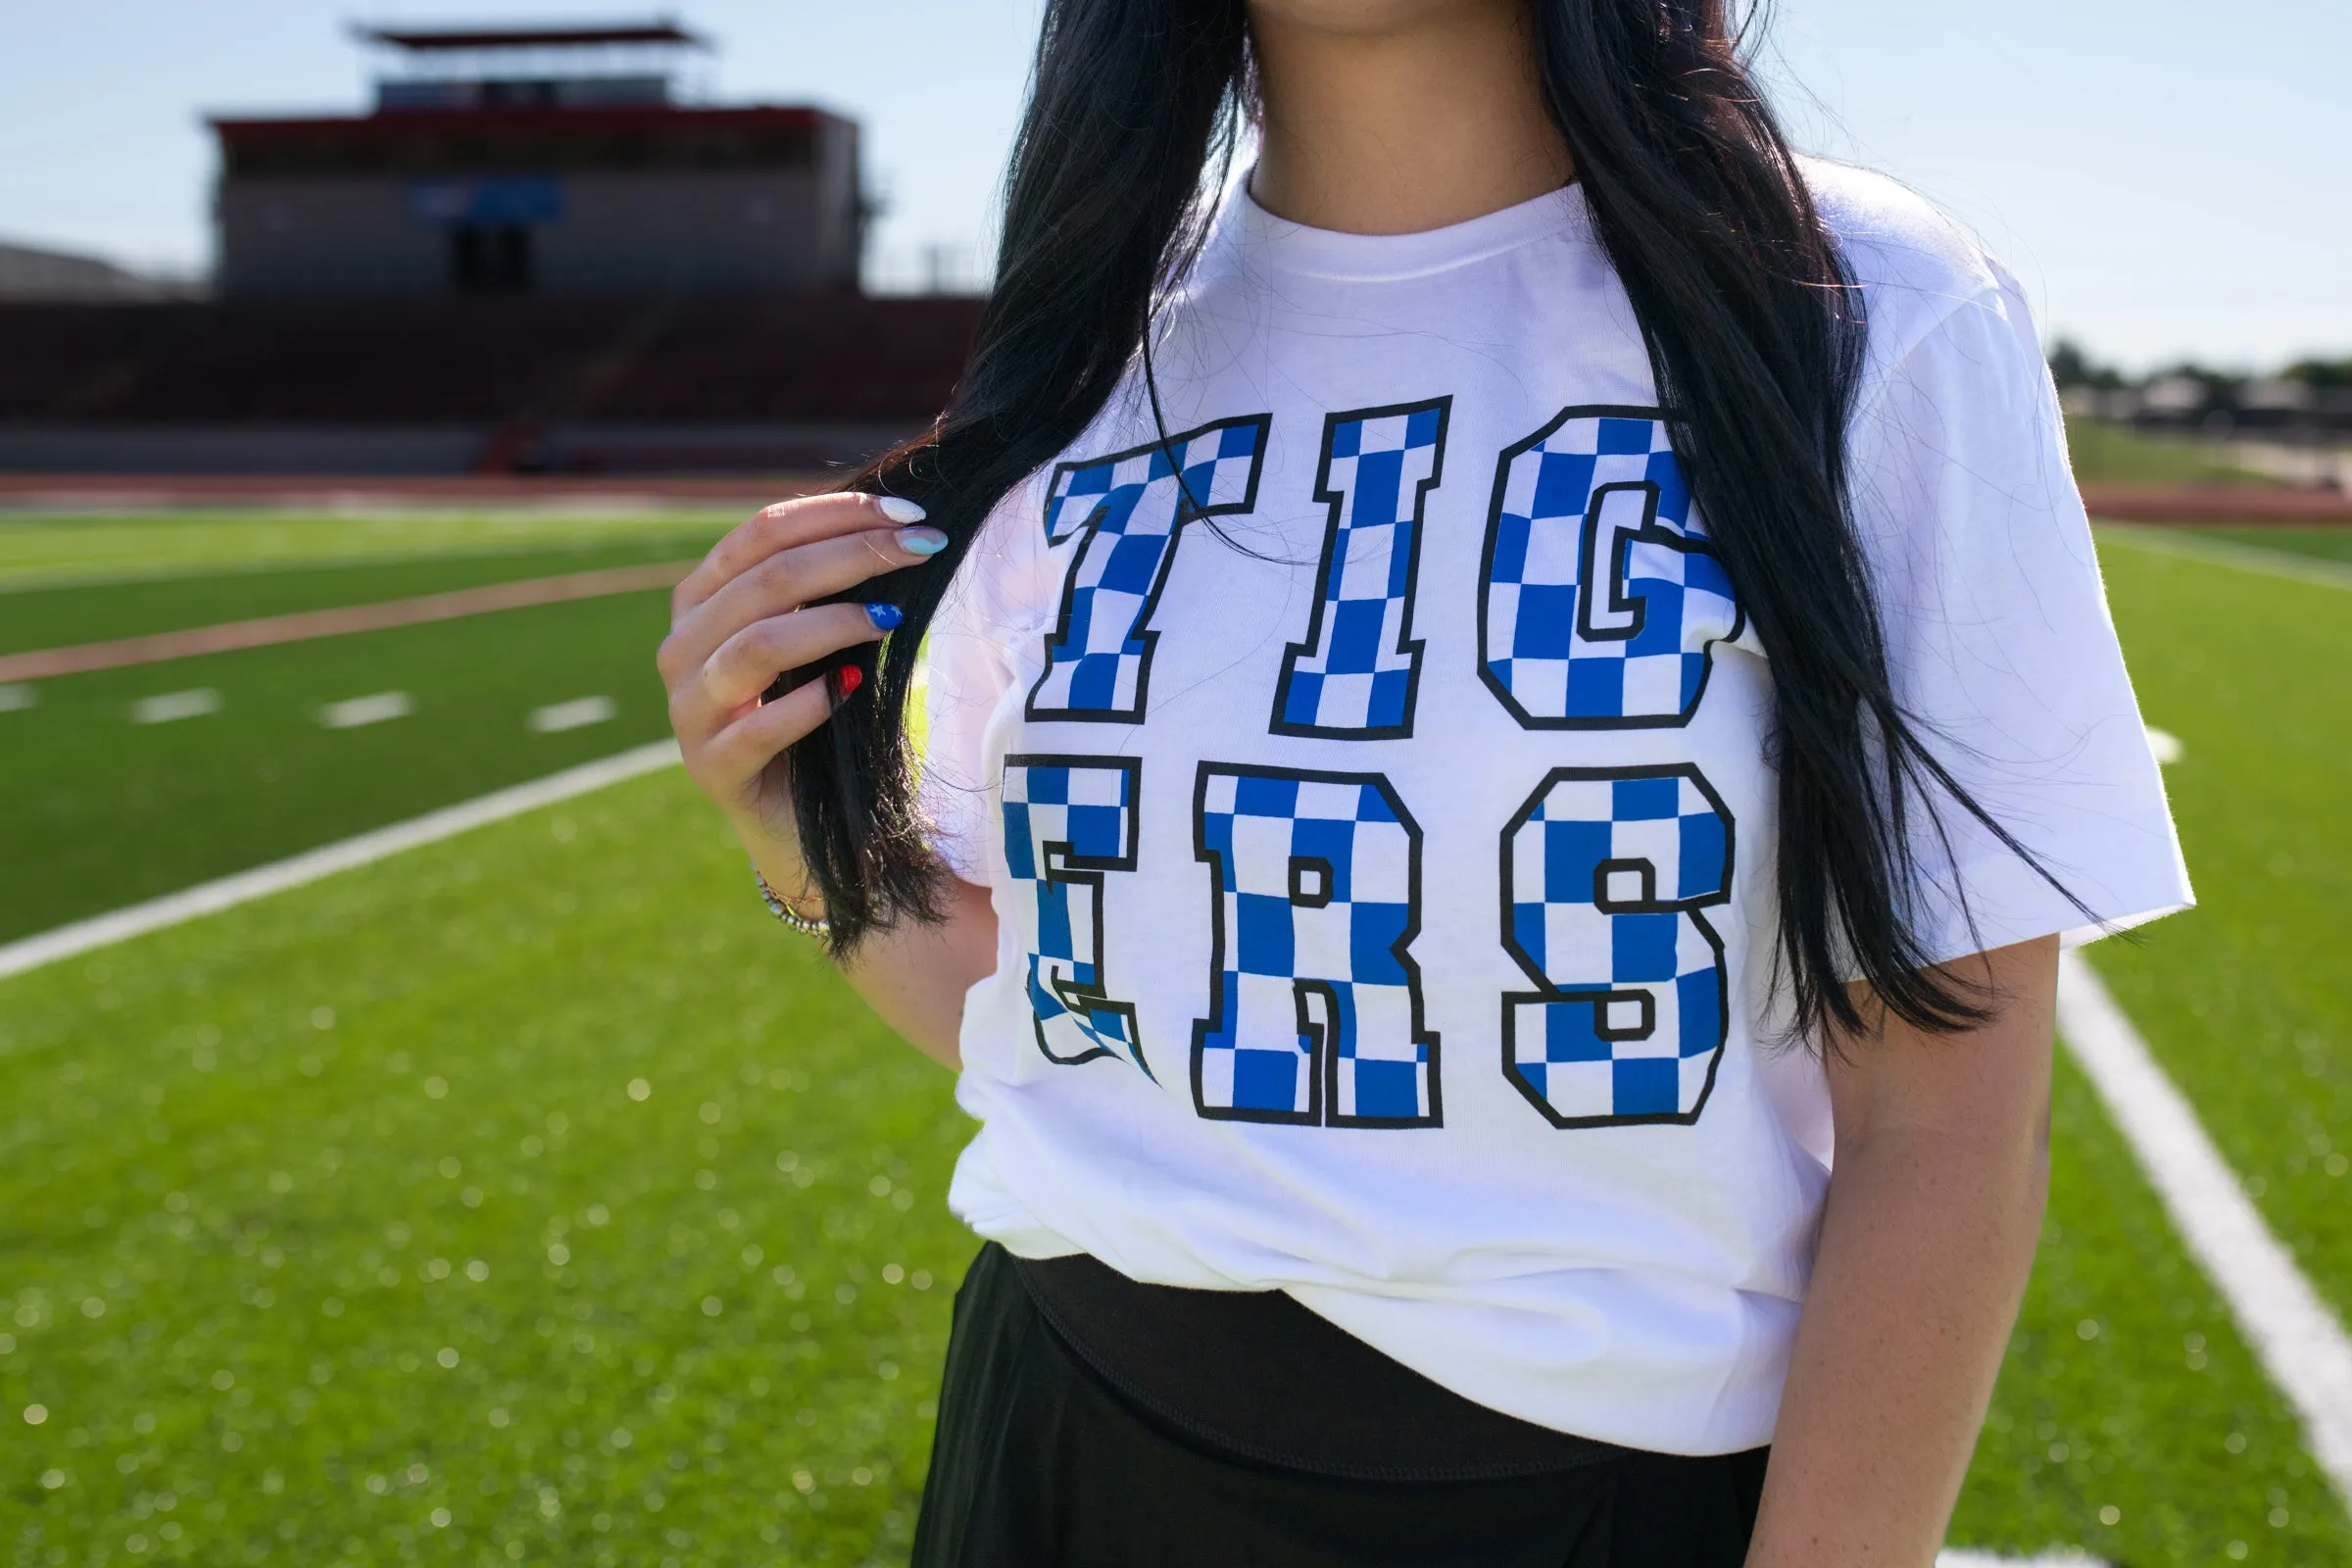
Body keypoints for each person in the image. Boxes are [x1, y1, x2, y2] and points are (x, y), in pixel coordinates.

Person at [656, 1, 2191, 1561]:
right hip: (1053, 1433)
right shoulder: (1092, 342)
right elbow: (1092, 1040)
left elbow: (1944, 1125)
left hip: (1588, 1490)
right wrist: (807, 850)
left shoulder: (1853, 301)